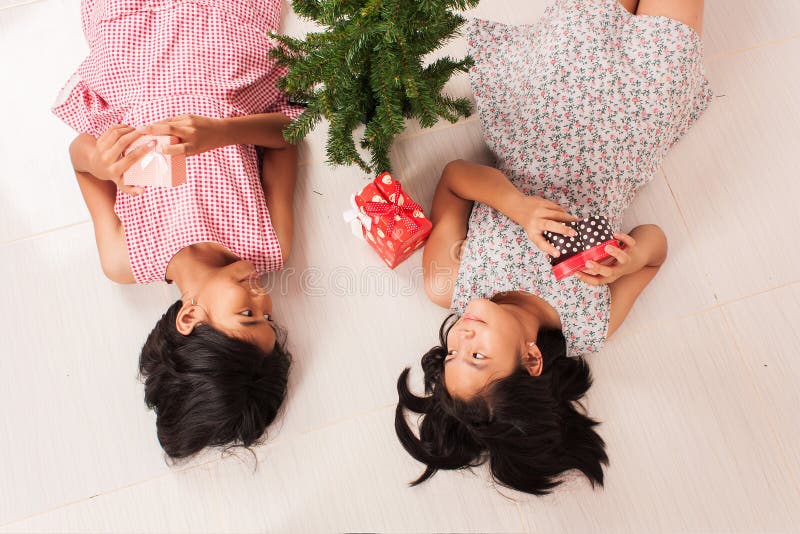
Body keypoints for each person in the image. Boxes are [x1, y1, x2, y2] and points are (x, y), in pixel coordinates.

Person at [396, 0, 711, 494]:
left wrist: (517, 206)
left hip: (553, 93)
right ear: (531, 360)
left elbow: (456, 178)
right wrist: (627, 259)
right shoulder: (590, 322)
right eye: (478, 358)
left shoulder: (448, 282)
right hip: (637, 118)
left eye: (452, 353)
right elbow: (657, 246)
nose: (462, 339)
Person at [53, 0, 303, 459]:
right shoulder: (268, 246)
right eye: (269, 317)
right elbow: (290, 131)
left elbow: (80, 157)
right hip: (226, 36)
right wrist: (224, 133)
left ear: (189, 318)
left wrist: (101, 165)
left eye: (248, 315)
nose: (264, 300)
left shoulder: (125, 260)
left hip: (129, 40)